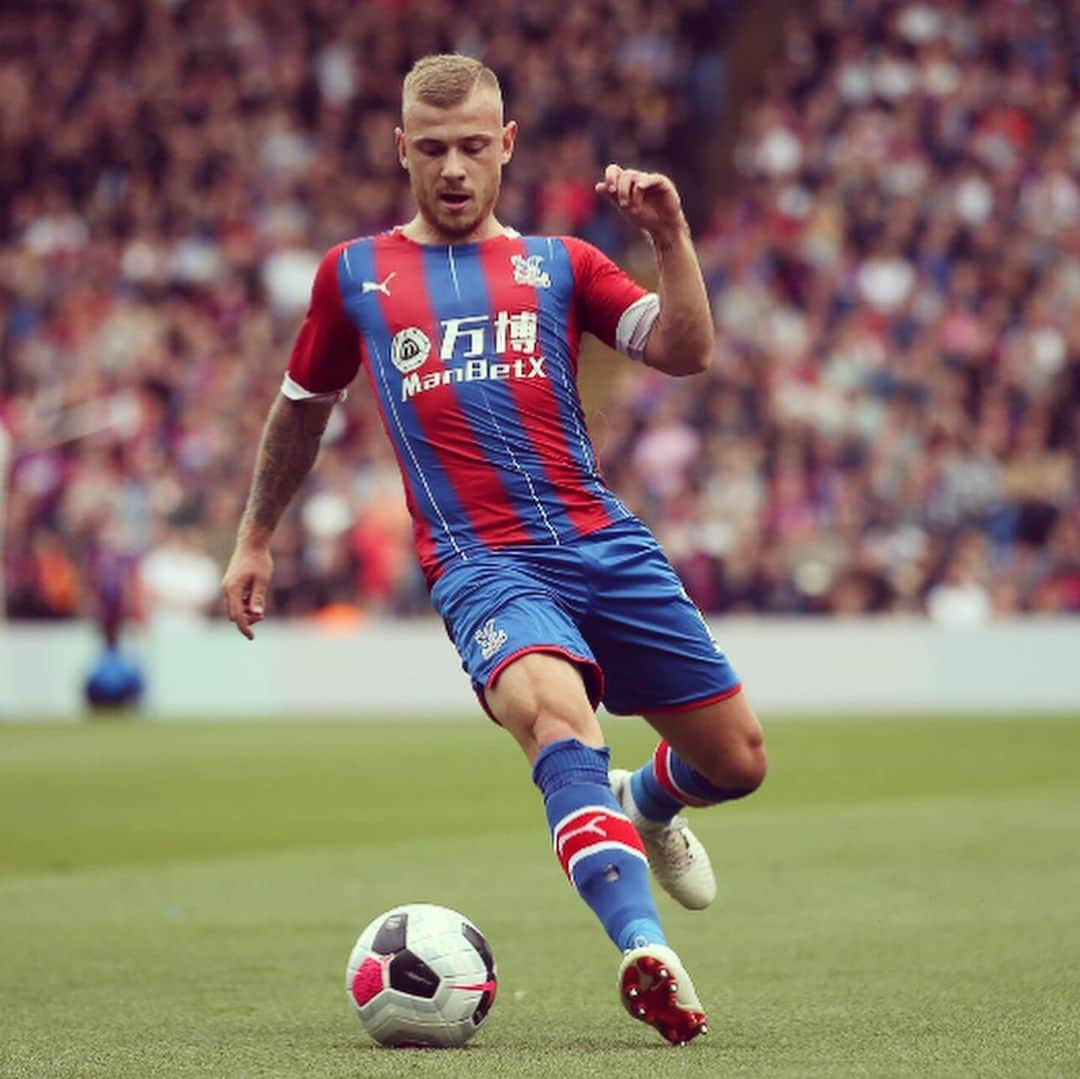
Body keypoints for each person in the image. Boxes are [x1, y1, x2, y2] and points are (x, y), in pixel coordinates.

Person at [222, 53, 767, 1046]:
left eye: (475, 146)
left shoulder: (561, 264)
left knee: (737, 761)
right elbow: (300, 412)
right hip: (482, 564)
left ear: (507, 145)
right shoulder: (355, 274)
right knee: (557, 717)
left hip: (603, 541)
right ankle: (643, 946)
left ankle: (646, 800)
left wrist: (673, 240)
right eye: (433, 149)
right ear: (401, 150)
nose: (456, 167)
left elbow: (687, 350)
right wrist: (254, 537)